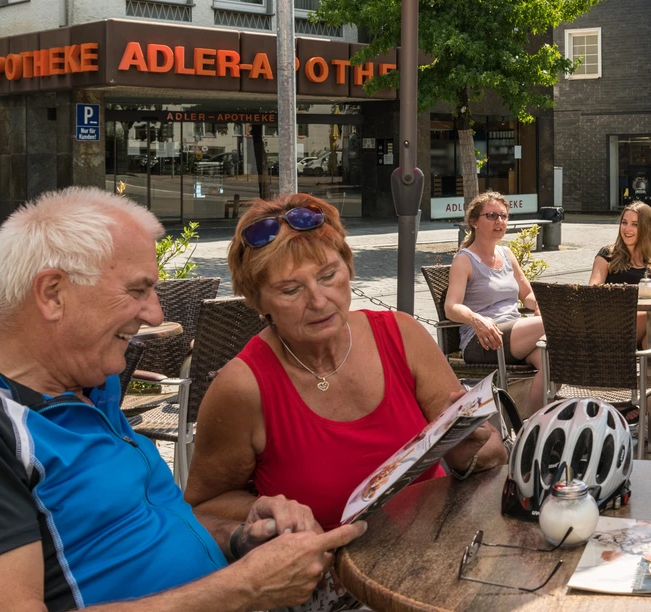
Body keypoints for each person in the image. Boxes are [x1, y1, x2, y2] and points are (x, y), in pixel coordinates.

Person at [0, 187, 363, 612]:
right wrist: (242, 588)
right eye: (138, 290)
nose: (156, 314)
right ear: (53, 293)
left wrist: (241, 538)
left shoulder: (91, 391)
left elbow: (146, 535)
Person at [185, 194, 508, 609]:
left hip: (436, 560)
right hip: (326, 588)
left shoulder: (403, 336)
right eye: (290, 289)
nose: (319, 301)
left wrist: (470, 451)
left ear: (349, 269)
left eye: (328, 275)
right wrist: (263, 517)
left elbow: (492, 458)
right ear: (258, 301)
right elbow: (199, 508)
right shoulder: (243, 387)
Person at [444, 191, 547, 415]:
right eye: (491, 216)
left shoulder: (507, 254)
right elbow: (451, 306)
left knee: (552, 362)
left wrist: (539, 305)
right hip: (482, 340)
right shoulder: (464, 260)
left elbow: (528, 295)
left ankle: (532, 428)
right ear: (474, 222)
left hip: (513, 334)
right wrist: (476, 319)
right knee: (555, 322)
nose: (499, 221)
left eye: (503, 216)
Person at [589, 201, 651, 347]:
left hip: (641, 320)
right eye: (624, 222)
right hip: (606, 319)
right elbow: (592, 290)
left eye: (635, 224)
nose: (627, 229)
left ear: (646, 228)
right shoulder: (607, 254)